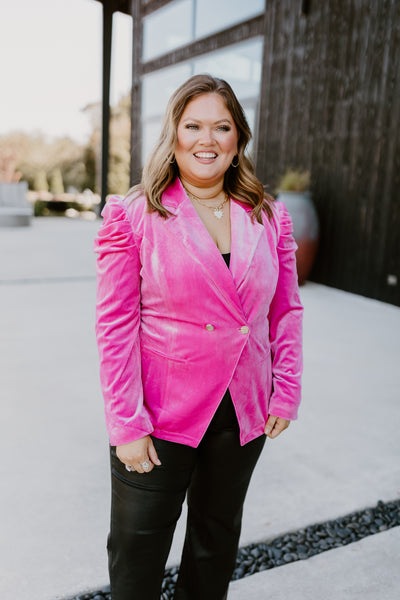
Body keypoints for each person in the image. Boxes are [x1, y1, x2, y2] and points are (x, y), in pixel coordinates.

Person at [94, 73, 303, 600]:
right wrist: (126, 423)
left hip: (242, 411)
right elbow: (115, 324)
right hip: (159, 413)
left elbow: (286, 311)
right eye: (193, 125)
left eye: (221, 126)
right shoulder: (135, 214)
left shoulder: (269, 217)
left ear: (238, 141)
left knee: (214, 544)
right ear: (175, 134)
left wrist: (287, 387)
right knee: (137, 553)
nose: (206, 139)